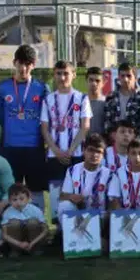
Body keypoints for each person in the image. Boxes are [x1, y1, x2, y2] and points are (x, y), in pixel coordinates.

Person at [0, 44, 48, 208]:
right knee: (12, 189)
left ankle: (38, 223)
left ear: (33, 65)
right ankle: (12, 225)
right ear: (14, 63)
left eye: (28, 64)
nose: (24, 68)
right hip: (10, 147)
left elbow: (46, 118)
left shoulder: (41, 88)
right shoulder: (3, 87)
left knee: (36, 188)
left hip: (34, 147)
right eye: (21, 63)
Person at [41, 60, 93, 219]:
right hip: (54, 155)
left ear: (74, 75)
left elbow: (85, 126)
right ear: (54, 75)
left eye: (66, 73)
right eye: (58, 73)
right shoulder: (48, 99)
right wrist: (56, 151)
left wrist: (69, 151)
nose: (62, 77)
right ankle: (58, 229)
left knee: (77, 192)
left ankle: (78, 228)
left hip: (75, 154)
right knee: (56, 192)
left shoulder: (82, 98)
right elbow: (44, 128)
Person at [56, 135, 114, 235]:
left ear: (103, 155)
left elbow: (114, 202)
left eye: (99, 152)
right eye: (91, 150)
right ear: (83, 150)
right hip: (79, 212)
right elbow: (63, 196)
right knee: (64, 205)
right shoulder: (72, 170)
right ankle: (70, 238)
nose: (94, 154)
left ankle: (100, 236)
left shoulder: (110, 175)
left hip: (100, 215)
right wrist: (71, 197)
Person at [108, 138, 140, 210]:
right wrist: (122, 215)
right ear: (128, 154)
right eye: (133, 153)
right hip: (126, 216)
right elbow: (114, 198)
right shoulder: (119, 173)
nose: (137, 157)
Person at [1, 183, 48, 258]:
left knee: (33, 222)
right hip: (16, 242)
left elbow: (45, 230)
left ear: (28, 198)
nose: (18, 202)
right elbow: (4, 235)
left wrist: (32, 243)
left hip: (34, 240)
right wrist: (19, 244)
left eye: (21, 199)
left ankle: (35, 249)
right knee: (14, 223)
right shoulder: (7, 212)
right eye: (14, 200)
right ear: (9, 201)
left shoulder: (35, 210)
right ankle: (15, 250)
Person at [110, 63, 140, 134]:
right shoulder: (111, 97)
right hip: (115, 141)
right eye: (122, 76)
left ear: (136, 78)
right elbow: (107, 122)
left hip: (136, 140)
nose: (125, 79)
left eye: (129, 76)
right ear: (118, 77)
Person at [85, 66, 108, 136]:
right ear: (86, 81)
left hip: (102, 144)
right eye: (91, 80)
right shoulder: (80, 102)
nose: (94, 83)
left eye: (97, 81)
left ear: (103, 83)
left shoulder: (108, 103)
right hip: (83, 145)